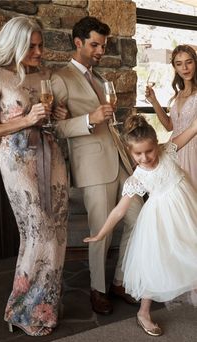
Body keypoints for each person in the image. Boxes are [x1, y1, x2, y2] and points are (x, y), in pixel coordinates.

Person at [0, 16, 69, 337]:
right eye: (32, 46)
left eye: (41, 45)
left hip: (51, 154)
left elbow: (46, 117)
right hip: (18, 160)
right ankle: (23, 309)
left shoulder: (43, 75)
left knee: (57, 229)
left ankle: (46, 306)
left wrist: (56, 115)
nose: (40, 51)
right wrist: (26, 119)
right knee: (37, 231)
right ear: (14, 44)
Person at [51, 16, 143, 315]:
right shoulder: (60, 79)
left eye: (103, 45)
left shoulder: (101, 78)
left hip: (120, 162)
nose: (101, 50)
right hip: (91, 166)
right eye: (95, 44)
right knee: (100, 230)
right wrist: (89, 120)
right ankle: (98, 289)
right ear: (78, 42)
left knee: (138, 220)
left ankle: (119, 280)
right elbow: (57, 128)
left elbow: (108, 122)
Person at [84, 114, 197, 336]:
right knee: (155, 264)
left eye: (149, 151)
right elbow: (118, 211)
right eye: (138, 153)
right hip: (160, 222)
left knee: (192, 252)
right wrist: (100, 234)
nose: (145, 157)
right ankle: (144, 312)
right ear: (129, 151)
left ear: (157, 145)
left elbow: (193, 128)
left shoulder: (169, 151)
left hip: (187, 213)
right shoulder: (136, 179)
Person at [145, 44, 197, 188]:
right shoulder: (179, 93)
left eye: (189, 62)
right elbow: (170, 126)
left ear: (195, 62)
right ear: (174, 67)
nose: (185, 68)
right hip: (174, 153)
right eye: (179, 64)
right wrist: (154, 101)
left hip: (192, 151)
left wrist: (165, 148)